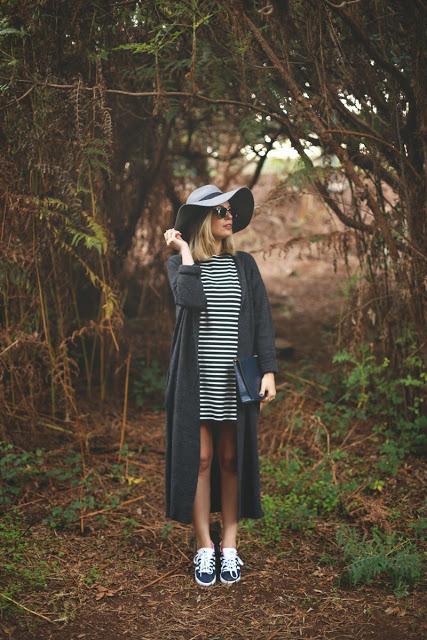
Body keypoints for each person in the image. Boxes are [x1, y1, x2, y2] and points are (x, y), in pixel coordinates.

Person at [163, 184, 278, 587]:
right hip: (195, 382)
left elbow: (262, 319)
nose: (230, 217)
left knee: (231, 460)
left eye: (231, 210)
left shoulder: (244, 265)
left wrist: (269, 370)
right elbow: (189, 300)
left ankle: (229, 546)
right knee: (202, 460)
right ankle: (204, 547)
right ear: (201, 221)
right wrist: (185, 253)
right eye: (221, 211)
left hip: (236, 381)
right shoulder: (180, 266)